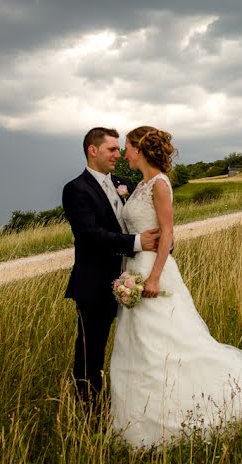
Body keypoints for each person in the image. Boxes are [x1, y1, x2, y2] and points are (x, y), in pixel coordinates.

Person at [109, 126, 242, 448]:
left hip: (152, 273)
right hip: (132, 270)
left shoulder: (160, 184)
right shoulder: (139, 186)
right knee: (138, 344)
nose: (124, 153)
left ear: (141, 149)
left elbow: (168, 233)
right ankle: (137, 421)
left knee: (171, 343)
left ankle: (187, 410)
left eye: (128, 147)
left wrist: (154, 277)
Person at [61, 127, 161, 411]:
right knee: (90, 351)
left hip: (133, 279)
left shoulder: (124, 183)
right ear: (93, 151)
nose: (118, 154)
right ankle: (89, 410)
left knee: (138, 343)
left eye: (119, 149)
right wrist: (139, 242)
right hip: (95, 285)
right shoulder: (76, 189)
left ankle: (137, 403)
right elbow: (91, 235)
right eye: (111, 150)